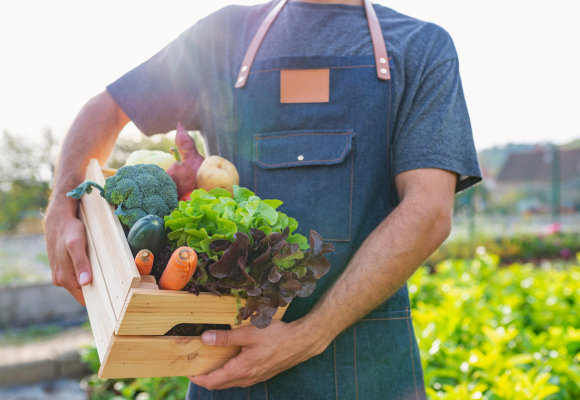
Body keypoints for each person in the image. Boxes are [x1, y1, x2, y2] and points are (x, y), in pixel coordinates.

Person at [45, 0, 482, 398]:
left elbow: (428, 211)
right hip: (228, 368)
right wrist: (61, 209)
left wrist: (308, 335)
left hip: (370, 371)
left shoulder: (421, 47)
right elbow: (106, 110)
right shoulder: (223, 36)